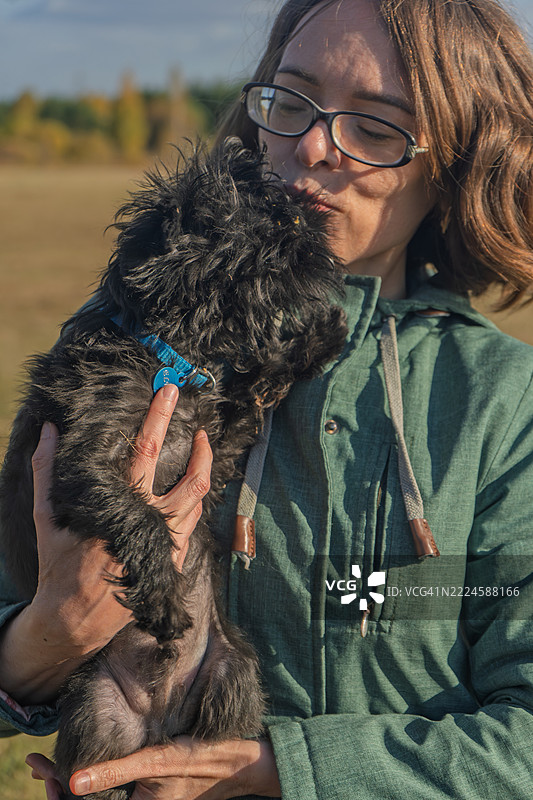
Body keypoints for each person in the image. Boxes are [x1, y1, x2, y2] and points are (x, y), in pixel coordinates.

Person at [1, 0, 533, 797]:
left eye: (377, 127)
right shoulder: (143, 329)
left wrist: (272, 772)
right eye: (289, 101)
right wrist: (43, 641)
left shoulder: (496, 402)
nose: (313, 146)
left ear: (455, 165)